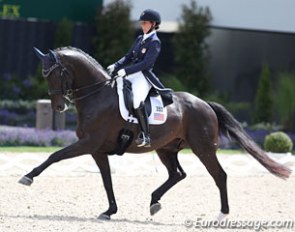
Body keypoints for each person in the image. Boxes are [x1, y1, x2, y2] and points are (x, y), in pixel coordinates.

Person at [107, 9, 173, 148]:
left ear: (153, 24)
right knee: (113, 88)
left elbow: (145, 64)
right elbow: (129, 56)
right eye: (142, 23)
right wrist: (116, 65)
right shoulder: (139, 39)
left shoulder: (155, 42)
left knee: (137, 101)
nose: (142, 25)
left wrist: (125, 70)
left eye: (145, 23)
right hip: (132, 74)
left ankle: (145, 135)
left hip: (143, 77)